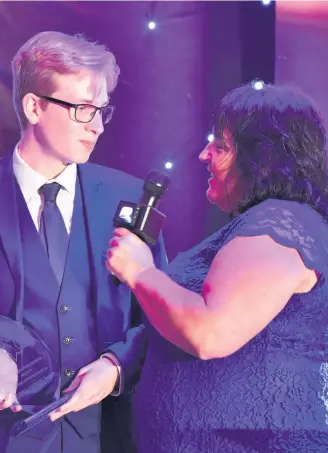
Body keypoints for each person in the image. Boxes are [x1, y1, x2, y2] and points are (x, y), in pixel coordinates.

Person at [0, 31, 166, 453]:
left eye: (102, 111)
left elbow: (161, 318)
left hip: (106, 437)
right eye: (83, 109)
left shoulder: (127, 198)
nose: (97, 126)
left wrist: (115, 367)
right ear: (34, 106)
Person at [107, 83, 328, 453]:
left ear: (264, 159)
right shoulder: (265, 223)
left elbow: (210, 333)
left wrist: (141, 272)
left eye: (220, 147)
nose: (203, 155)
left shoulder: (280, 222)